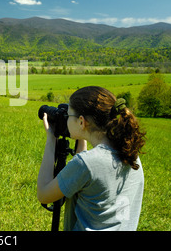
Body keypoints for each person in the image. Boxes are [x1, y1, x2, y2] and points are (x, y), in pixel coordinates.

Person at [37, 86, 146, 231]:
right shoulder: (131, 156)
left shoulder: (86, 163)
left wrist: (51, 139)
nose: (66, 119)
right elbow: (88, 174)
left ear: (81, 122)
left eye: (69, 115)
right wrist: (82, 136)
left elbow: (44, 194)